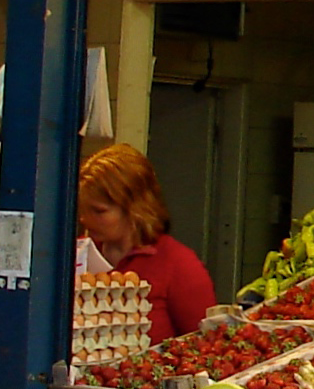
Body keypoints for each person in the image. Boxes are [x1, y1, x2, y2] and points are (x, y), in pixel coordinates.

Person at [78, 144, 215, 343]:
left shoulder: (178, 265)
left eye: (99, 211)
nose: (85, 220)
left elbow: (205, 343)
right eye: (83, 210)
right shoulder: (77, 255)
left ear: (136, 208)